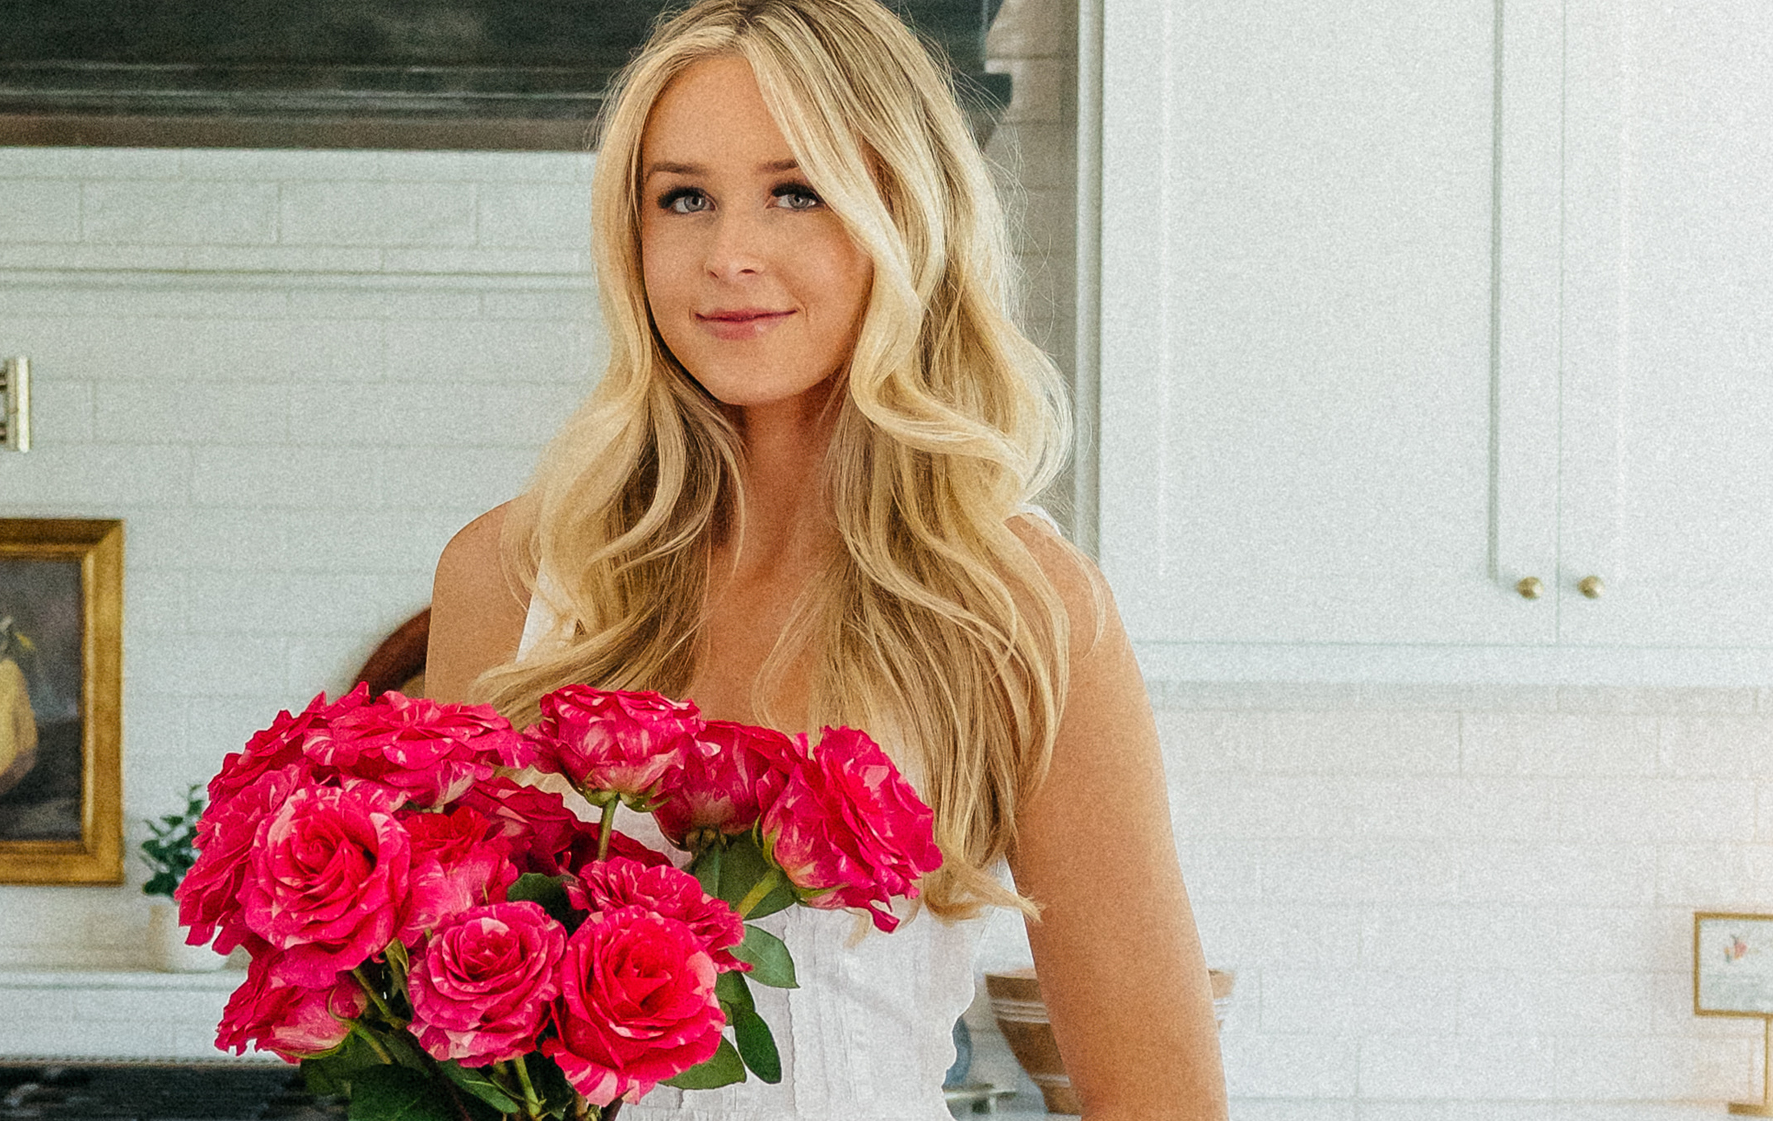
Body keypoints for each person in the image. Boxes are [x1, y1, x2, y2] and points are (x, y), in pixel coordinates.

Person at [421, 0, 1227, 1118]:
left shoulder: (1019, 610)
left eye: (795, 192)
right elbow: (462, 1060)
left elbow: (1159, 1097)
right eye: (683, 197)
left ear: (903, 217)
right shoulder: (506, 580)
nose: (728, 254)